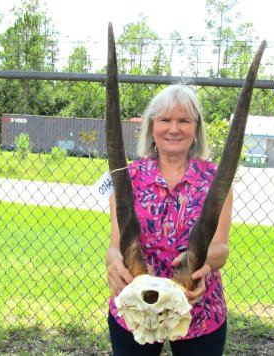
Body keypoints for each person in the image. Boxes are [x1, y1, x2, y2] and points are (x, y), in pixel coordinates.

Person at [106, 84, 233, 356]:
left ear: (196, 128)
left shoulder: (216, 181)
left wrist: (204, 264)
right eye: (165, 120)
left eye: (183, 121)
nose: (173, 129)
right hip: (136, 309)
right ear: (152, 126)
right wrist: (115, 265)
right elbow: (115, 247)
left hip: (198, 310)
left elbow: (221, 248)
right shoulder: (126, 177)